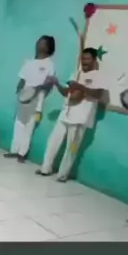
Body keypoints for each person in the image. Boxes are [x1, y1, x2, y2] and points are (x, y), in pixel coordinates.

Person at [36, 47, 106, 182]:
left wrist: (81, 87)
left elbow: (98, 94)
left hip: (80, 118)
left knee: (71, 148)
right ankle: (45, 168)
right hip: (66, 113)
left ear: (94, 60)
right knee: (52, 142)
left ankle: (62, 175)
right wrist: (57, 83)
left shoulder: (99, 76)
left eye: (87, 59)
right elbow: (66, 92)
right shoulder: (76, 73)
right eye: (83, 58)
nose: (84, 61)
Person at [4, 35, 56, 163]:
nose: (39, 44)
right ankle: (14, 150)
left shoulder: (50, 65)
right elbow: (22, 79)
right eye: (39, 42)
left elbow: (49, 84)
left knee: (29, 125)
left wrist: (37, 90)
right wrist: (20, 92)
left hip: (37, 99)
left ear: (48, 47)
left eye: (42, 43)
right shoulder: (29, 62)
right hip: (24, 96)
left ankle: (22, 153)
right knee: (18, 124)